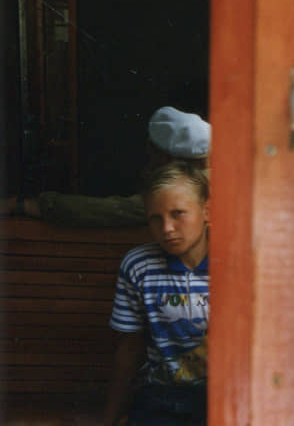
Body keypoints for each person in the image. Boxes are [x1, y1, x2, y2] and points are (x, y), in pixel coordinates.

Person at [103, 161, 210, 425]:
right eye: (156, 218)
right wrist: (109, 419)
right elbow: (129, 348)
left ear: (208, 211)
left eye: (178, 213)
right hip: (161, 396)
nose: (167, 228)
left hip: (221, 394)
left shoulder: (236, 263)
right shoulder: (139, 265)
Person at [3, 107, 210, 227]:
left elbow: (110, 210)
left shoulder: (184, 190)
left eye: (153, 151)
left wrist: (29, 206)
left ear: (164, 158)